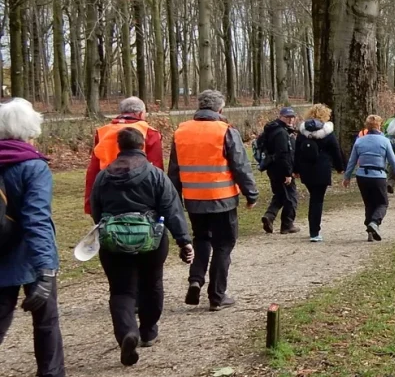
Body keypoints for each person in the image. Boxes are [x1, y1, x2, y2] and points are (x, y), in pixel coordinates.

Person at [90, 127, 194, 366]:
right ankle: (147, 331)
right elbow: (172, 209)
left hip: (114, 244)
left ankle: (128, 332)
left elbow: (96, 210)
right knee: (152, 283)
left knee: (121, 291)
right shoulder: (155, 175)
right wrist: (184, 241)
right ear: (142, 146)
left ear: (119, 147)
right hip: (152, 242)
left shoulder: (104, 176)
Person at [170, 89, 258, 312]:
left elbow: (174, 170)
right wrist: (251, 193)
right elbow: (240, 165)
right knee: (223, 245)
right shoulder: (225, 130)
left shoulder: (181, 131)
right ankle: (217, 296)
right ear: (220, 109)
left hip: (193, 199)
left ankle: (195, 279)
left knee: (201, 239)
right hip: (222, 198)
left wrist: (173, 200)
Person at [0, 98, 64, 377]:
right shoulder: (32, 166)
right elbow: (36, 219)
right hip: (30, 256)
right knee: (46, 321)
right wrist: (47, 269)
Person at [85, 96, 164, 216]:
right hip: (140, 191)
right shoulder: (149, 132)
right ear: (141, 114)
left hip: (107, 189)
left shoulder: (103, 131)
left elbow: (94, 169)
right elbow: (157, 167)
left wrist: (90, 202)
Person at [343, 115, 395, 241]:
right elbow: (392, 159)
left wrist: (347, 177)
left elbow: (352, 161)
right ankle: (374, 222)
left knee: (369, 203)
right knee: (382, 203)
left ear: (367, 126)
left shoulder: (359, 141)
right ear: (379, 126)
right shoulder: (384, 141)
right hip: (378, 175)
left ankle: (369, 231)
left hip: (362, 175)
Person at [294, 104, 344, 243]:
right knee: (317, 200)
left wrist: (296, 169)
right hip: (322, 169)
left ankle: (313, 229)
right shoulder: (328, 132)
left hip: (306, 170)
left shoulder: (302, 132)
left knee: (314, 198)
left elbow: (297, 152)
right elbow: (336, 150)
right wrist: (340, 167)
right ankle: (314, 231)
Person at [259, 106, 299, 235]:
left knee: (280, 195)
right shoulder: (281, 132)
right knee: (291, 197)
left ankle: (269, 216)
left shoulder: (271, 129)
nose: (290, 119)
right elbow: (284, 153)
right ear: (281, 117)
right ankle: (287, 224)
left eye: (292, 117)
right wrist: (288, 173)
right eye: (287, 117)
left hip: (271, 167)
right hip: (281, 168)